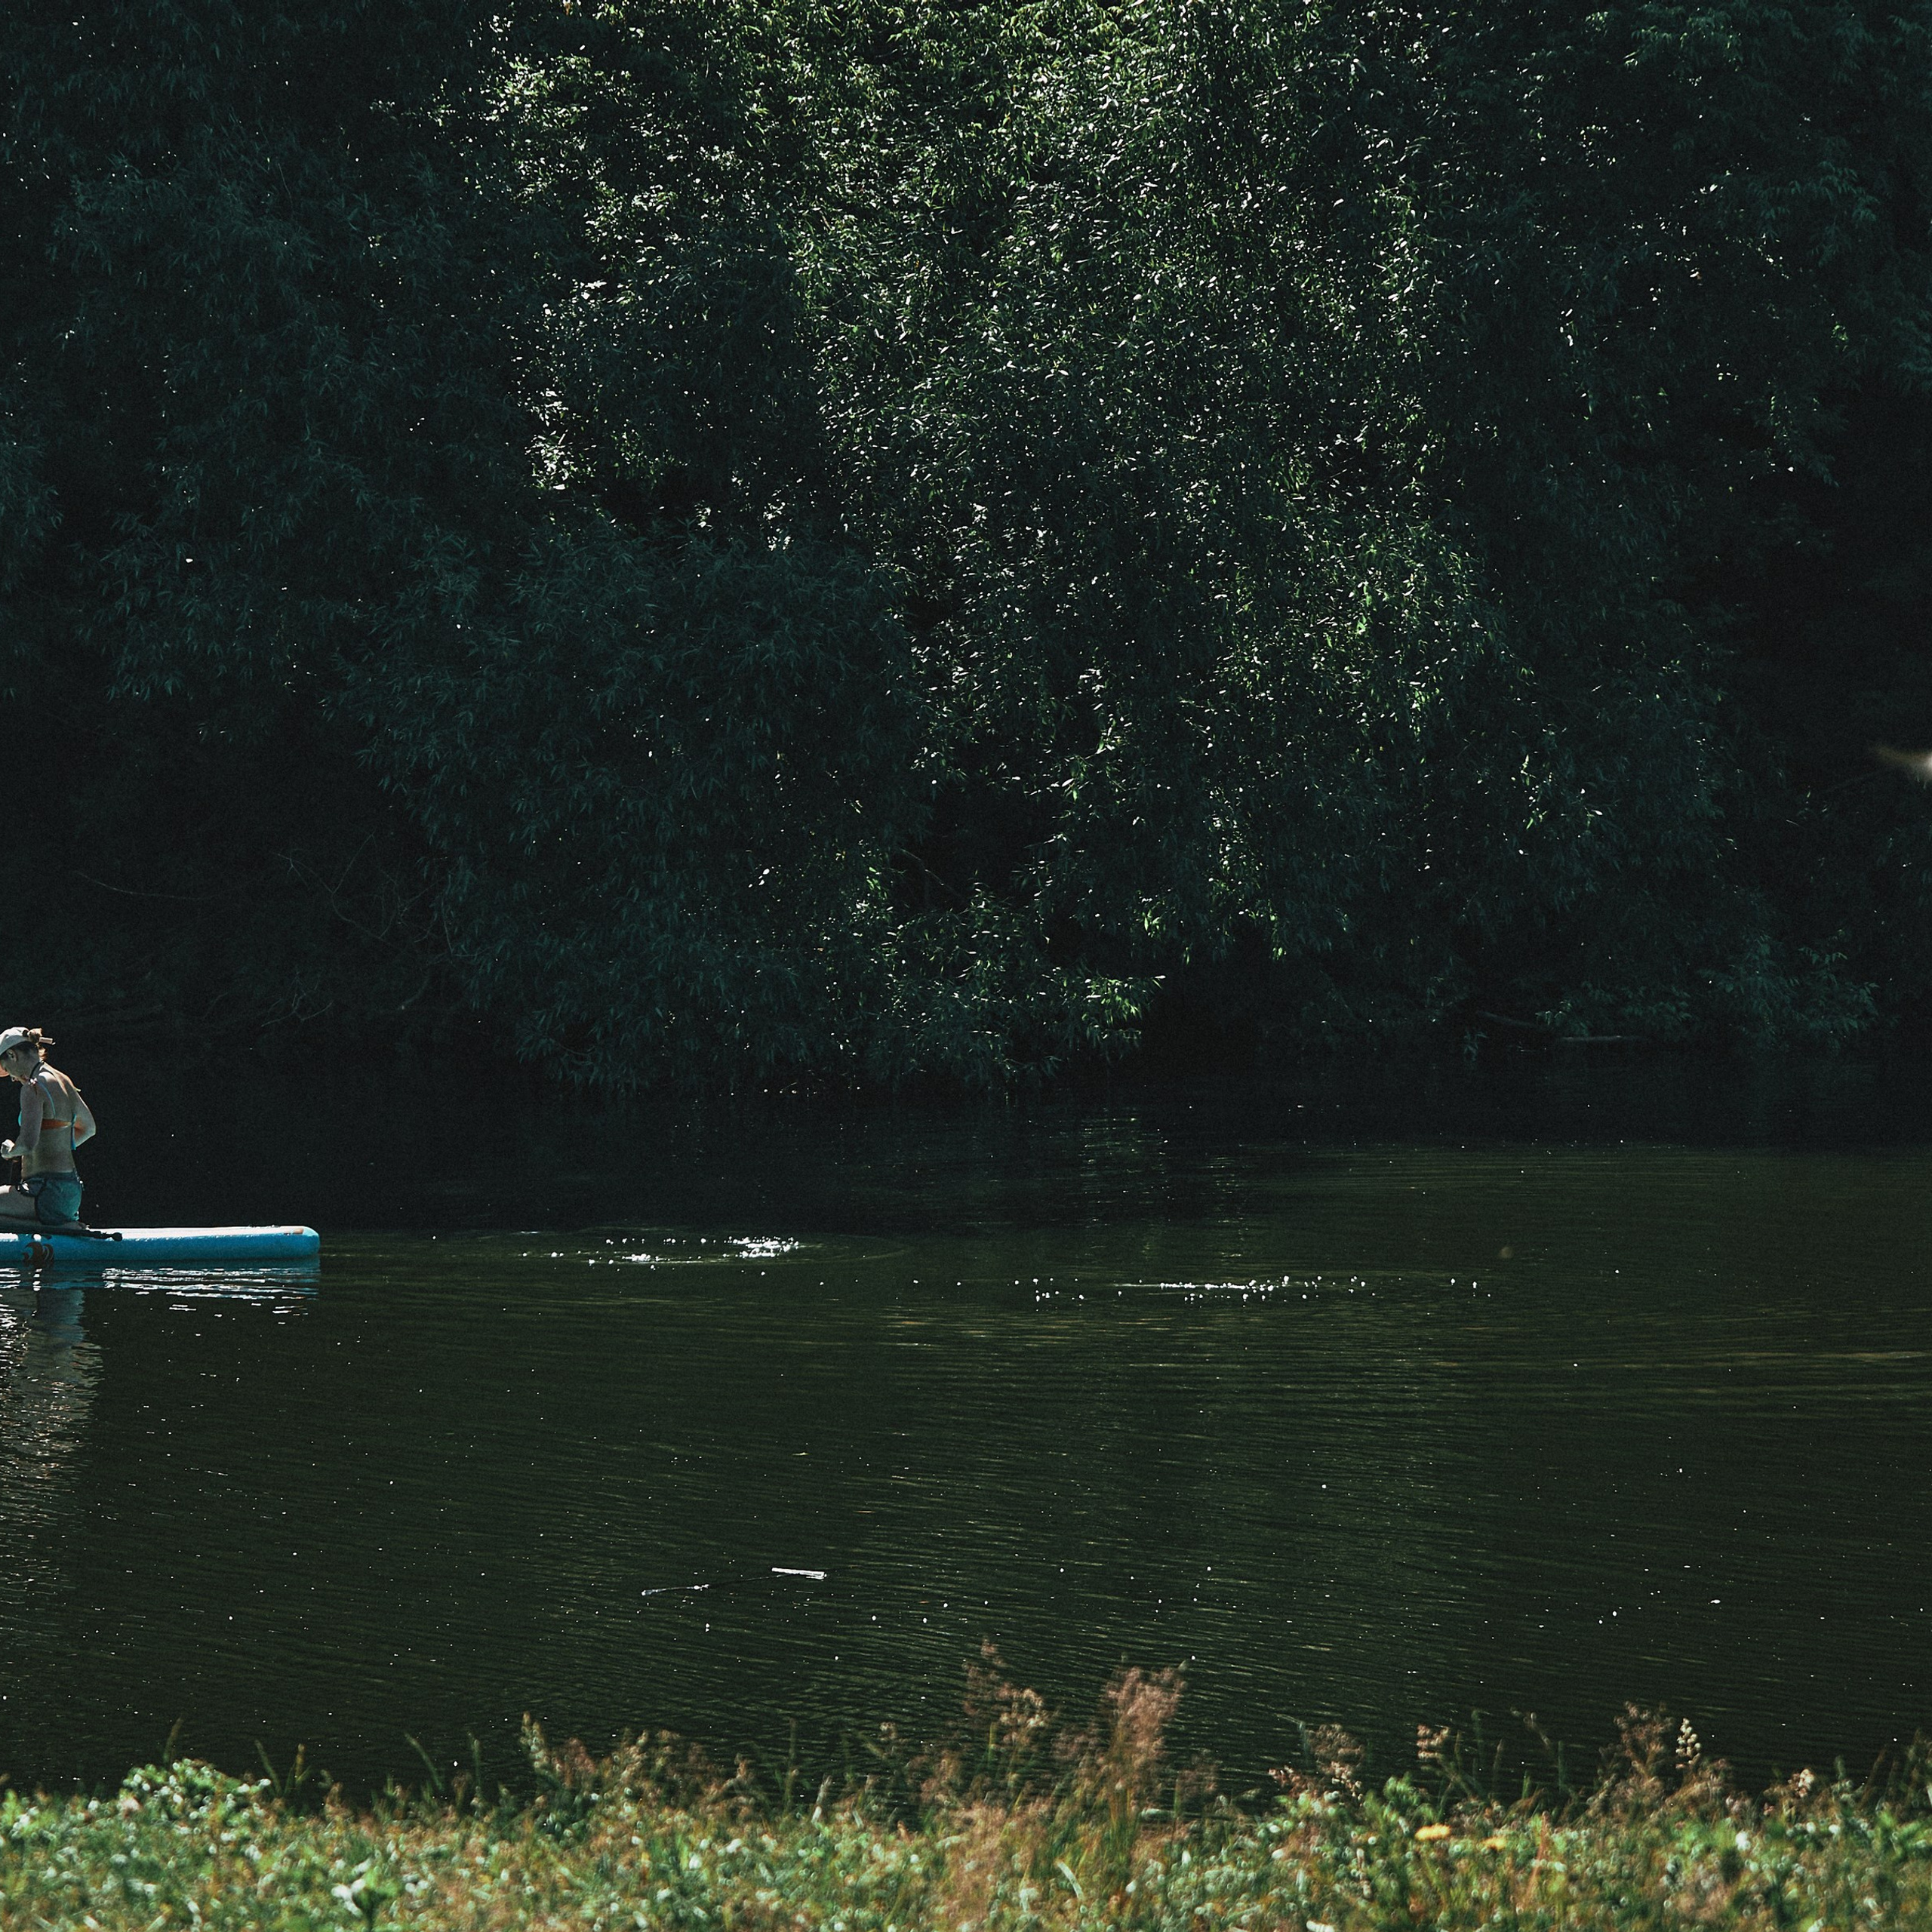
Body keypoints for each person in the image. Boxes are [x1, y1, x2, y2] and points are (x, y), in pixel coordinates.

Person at [0, 1027, 95, 1226]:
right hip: (69, 1191)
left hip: (45, 1191)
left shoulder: (32, 1087)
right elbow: (88, 1129)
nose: (11, 1077)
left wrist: (10, 1151)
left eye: (6, 1068)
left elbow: (26, 1144)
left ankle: (60, 1229)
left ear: (12, 1055)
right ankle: (61, 1225)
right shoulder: (64, 1080)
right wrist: (53, 1147)